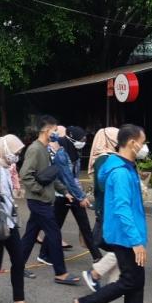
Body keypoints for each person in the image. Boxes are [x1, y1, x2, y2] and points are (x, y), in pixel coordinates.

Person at [73, 124, 152, 303]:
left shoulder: (122, 166)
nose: (144, 146)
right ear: (132, 143)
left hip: (126, 234)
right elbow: (122, 207)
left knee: (136, 280)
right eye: (143, 141)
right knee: (130, 280)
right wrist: (136, 241)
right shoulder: (120, 171)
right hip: (125, 236)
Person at [0, 134, 41, 303]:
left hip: (9, 220)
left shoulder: (5, 165)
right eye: (15, 151)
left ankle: (19, 300)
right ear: (5, 149)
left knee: (18, 260)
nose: (17, 155)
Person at [19, 115, 79, 285]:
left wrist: (64, 191)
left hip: (42, 199)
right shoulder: (35, 149)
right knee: (53, 234)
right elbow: (25, 175)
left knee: (31, 234)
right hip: (39, 201)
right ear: (46, 130)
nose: (56, 133)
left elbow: (50, 175)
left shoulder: (44, 148)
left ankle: (19, 265)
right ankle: (60, 273)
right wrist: (41, 191)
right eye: (54, 130)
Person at [44, 126, 98, 260]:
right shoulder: (60, 153)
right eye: (81, 139)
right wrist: (81, 196)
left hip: (70, 193)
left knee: (82, 226)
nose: (83, 142)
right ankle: (44, 254)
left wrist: (79, 193)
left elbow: (74, 177)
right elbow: (67, 178)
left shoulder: (74, 151)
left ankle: (96, 256)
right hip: (63, 194)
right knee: (55, 227)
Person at [82, 127, 122, 292]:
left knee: (119, 246)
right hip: (110, 208)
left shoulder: (108, 158)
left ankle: (114, 285)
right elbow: (105, 186)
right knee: (123, 247)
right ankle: (95, 273)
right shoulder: (104, 159)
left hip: (110, 207)